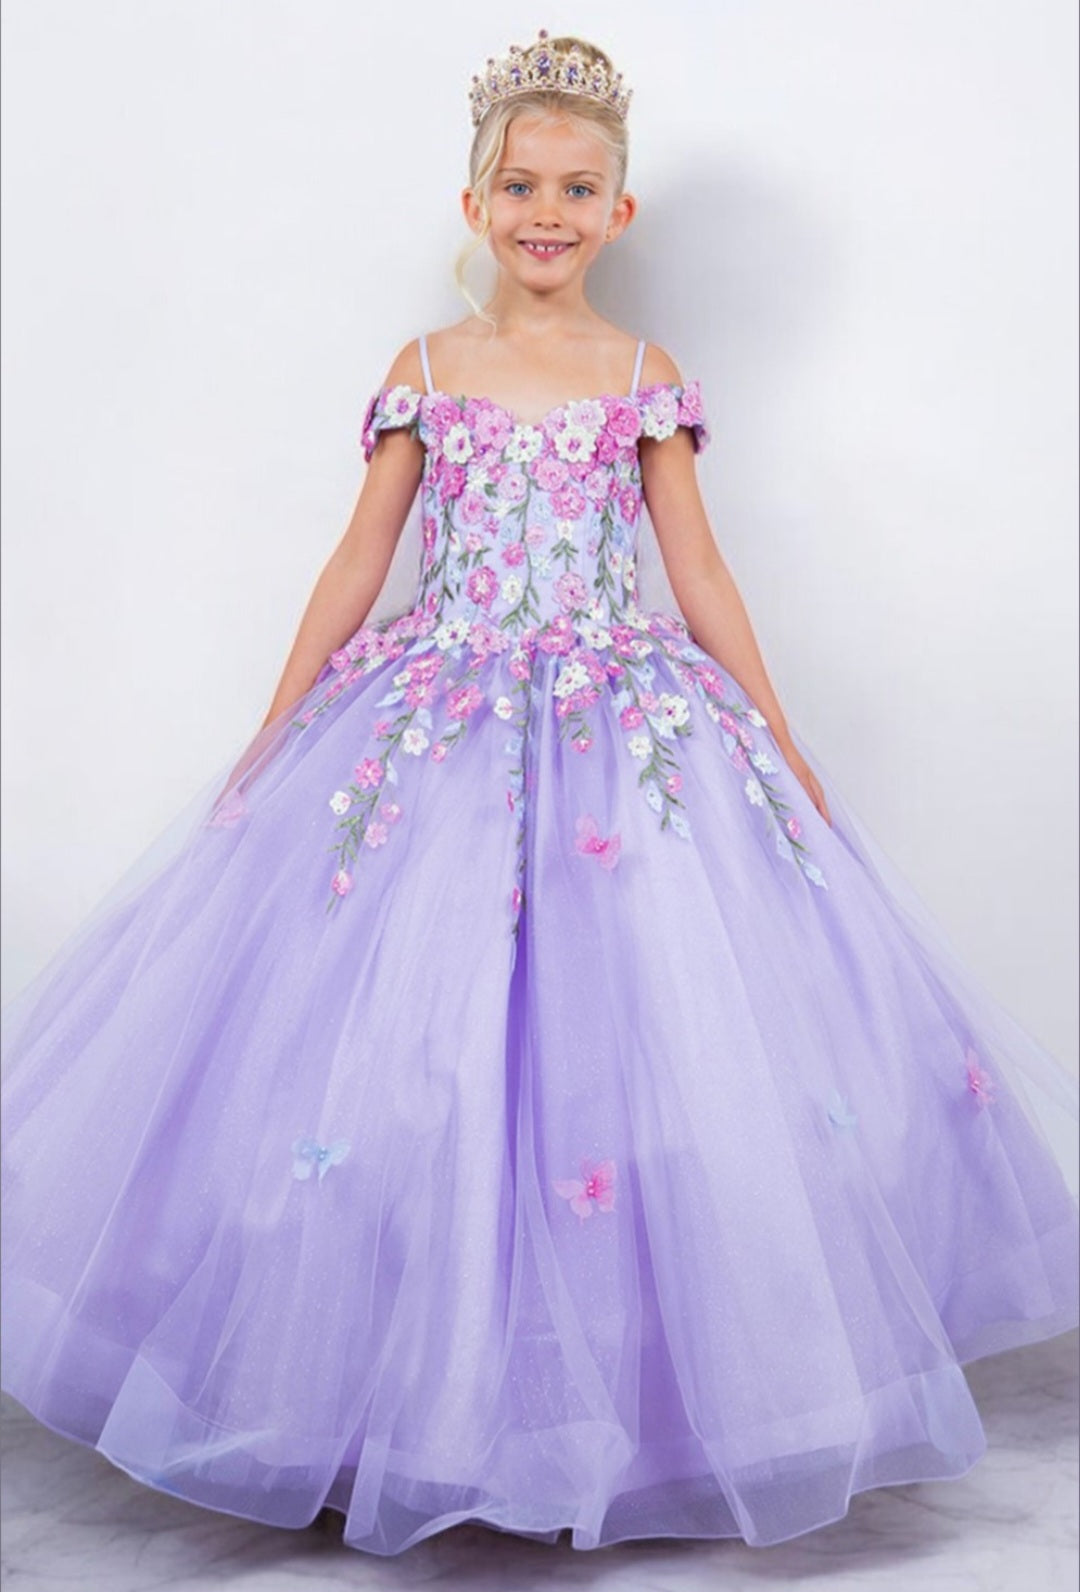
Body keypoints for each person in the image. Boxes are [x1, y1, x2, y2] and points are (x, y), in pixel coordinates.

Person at [1, 26, 1077, 1561]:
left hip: (617, 731)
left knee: (632, 1046)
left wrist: (778, 736)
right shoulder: (427, 372)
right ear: (474, 201)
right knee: (413, 1054)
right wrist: (279, 724)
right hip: (437, 719)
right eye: (521, 186)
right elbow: (362, 558)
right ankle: (386, 1410)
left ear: (619, 212)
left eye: (578, 189)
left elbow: (698, 569)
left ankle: (644, 1421)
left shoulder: (643, 379)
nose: (547, 213)